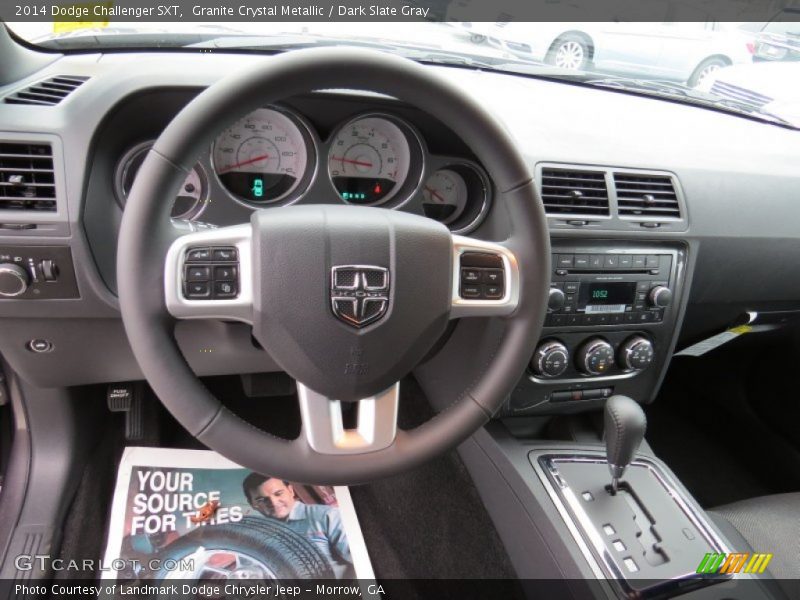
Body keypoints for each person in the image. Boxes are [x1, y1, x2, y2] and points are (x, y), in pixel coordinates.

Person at [243, 473, 354, 578]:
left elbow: (360, 562)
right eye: (261, 500)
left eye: (278, 493)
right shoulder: (253, 536)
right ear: (252, 504)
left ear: (291, 491)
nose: (273, 502)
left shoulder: (327, 516)